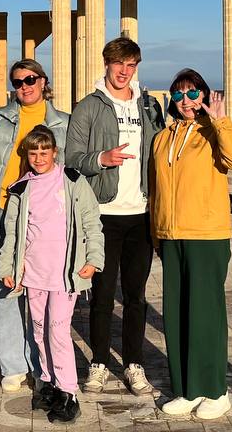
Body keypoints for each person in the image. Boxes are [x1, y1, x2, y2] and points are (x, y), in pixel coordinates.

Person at [65, 37, 165, 396]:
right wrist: (101, 159)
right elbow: (72, 157)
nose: (124, 71)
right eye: (119, 63)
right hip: (103, 215)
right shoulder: (89, 107)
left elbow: (162, 149)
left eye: (131, 64)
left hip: (141, 214)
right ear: (107, 64)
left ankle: (134, 365)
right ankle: (99, 363)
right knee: (103, 295)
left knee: (136, 296)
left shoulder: (149, 105)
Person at [150, 70, 232, 419]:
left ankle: (215, 390)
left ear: (204, 95)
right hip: (171, 235)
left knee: (205, 314)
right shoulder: (162, 138)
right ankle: (187, 388)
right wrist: (156, 233)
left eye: (193, 93)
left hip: (206, 234)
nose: (186, 101)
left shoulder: (213, 132)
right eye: (179, 95)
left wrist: (221, 122)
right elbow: (155, 189)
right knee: (176, 314)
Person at [0, 59, 68, 391]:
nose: (24, 86)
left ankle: (42, 363)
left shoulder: (62, 122)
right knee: (5, 287)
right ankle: (12, 364)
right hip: (2, 210)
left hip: (43, 217)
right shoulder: (1, 118)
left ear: (42, 81)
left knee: (41, 291)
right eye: (17, 82)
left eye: (29, 80)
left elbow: (68, 172)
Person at [0, 125, 104, 424]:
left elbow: (92, 222)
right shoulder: (21, 188)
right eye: (34, 153)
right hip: (34, 273)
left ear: (55, 152)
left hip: (64, 273)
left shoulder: (72, 180)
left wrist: (94, 259)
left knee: (58, 331)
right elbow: (11, 234)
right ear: (27, 155)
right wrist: (7, 267)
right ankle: (47, 382)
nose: (39, 158)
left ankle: (68, 391)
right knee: (39, 330)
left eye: (45, 152)